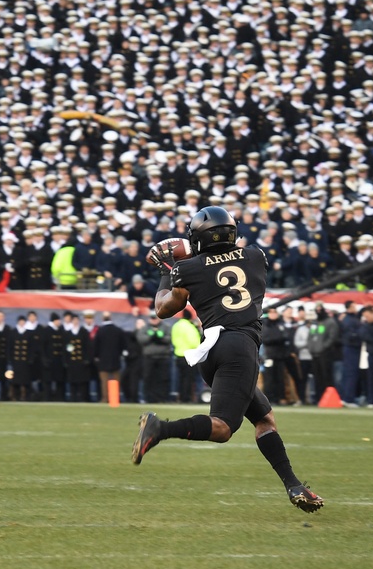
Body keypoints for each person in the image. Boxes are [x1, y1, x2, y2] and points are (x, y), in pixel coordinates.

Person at [133, 206, 323, 513]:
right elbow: (228, 258)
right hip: (239, 348)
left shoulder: (187, 269)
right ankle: (159, 429)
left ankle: (294, 486)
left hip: (212, 349)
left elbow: (164, 308)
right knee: (222, 429)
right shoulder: (256, 257)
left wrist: (166, 272)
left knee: (264, 420)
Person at [170, 309, 202, 403]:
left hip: (178, 354)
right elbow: (194, 342)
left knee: (180, 378)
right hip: (189, 356)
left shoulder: (176, 325)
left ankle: (180, 396)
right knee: (188, 379)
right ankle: (186, 398)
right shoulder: (189, 327)